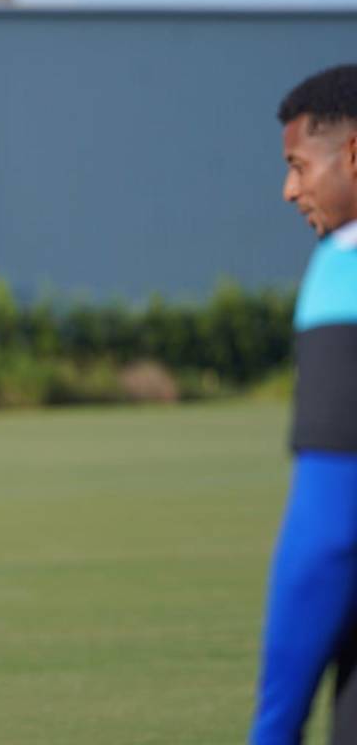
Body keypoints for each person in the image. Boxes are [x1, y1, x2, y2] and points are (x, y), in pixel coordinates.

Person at [252, 64, 357, 744]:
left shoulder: (343, 269)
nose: (290, 189)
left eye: (299, 165)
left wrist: (275, 725)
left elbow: (332, 532)